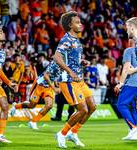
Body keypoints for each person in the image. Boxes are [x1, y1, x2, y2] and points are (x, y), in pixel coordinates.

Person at [53, 11, 96, 148]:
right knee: (83, 110)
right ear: (69, 25)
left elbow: (71, 59)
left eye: (80, 22)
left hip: (80, 79)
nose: (80, 24)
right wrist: (71, 72)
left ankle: (74, 132)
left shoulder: (76, 40)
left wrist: (82, 62)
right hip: (68, 80)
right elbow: (56, 58)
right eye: (77, 22)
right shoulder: (66, 39)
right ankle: (62, 133)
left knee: (92, 107)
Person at [10, 61, 61, 129]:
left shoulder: (65, 65)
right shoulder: (54, 63)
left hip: (48, 87)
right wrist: (53, 87)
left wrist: (56, 83)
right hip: (39, 84)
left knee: (49, 105)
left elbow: (56, 75)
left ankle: (33, 122)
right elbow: (46, 76)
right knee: (32, 105)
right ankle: (16, 106)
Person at [114, 39, 137, 140]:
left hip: (131, 83)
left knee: (121, 105)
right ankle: (133, 135)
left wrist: (120, 83)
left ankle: (133, 128)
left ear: (131, 41)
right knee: (132, 107)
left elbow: (125, 68)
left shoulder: (129, 50)